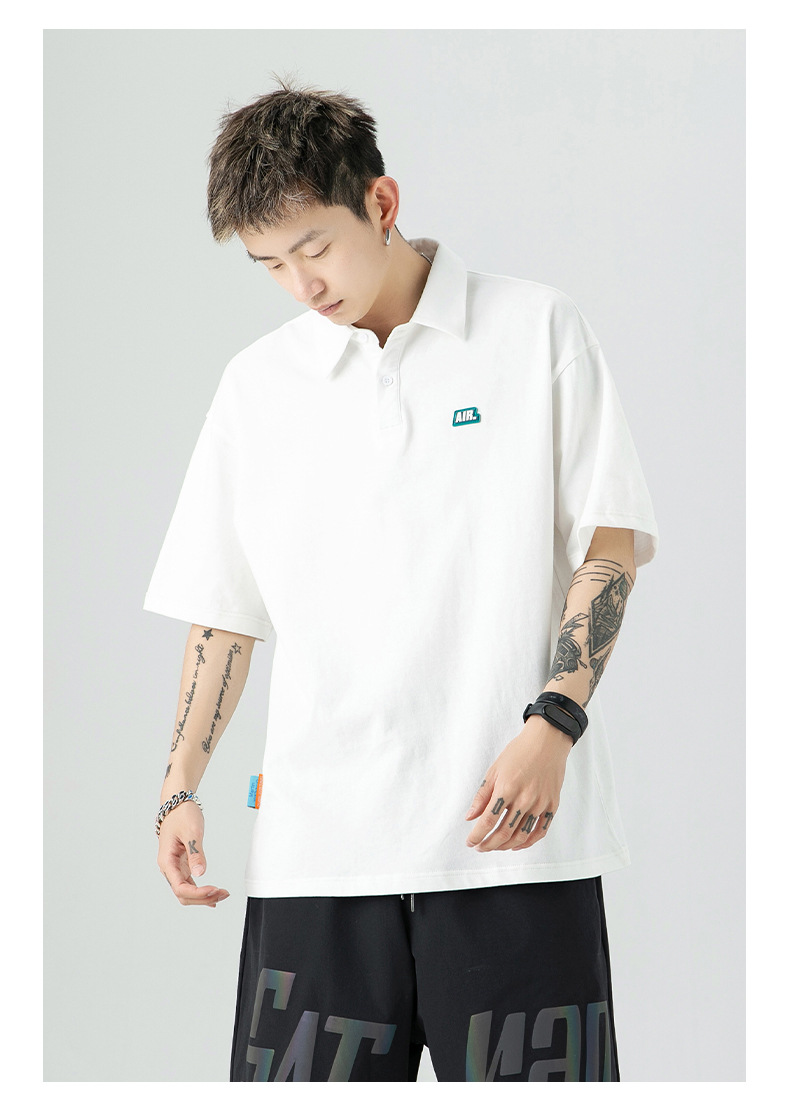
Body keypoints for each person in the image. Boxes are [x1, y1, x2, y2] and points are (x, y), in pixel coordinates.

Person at [144, 80, 659, 1083]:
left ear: (381, 202)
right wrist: (178, 788)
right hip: (317, 851)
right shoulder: (258, 387)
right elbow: (222, 612)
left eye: (315, 247)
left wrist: (554, 723)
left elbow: (608, 547)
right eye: (269, 264)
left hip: (512, 842)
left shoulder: (536, 331)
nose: (302, 284)